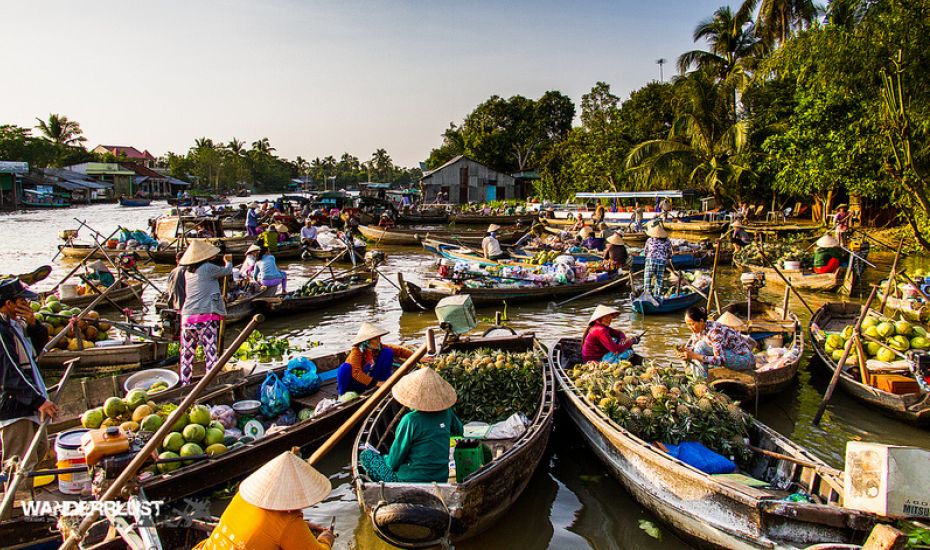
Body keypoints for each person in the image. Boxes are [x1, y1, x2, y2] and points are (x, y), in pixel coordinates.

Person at [195, 450, 335, 549]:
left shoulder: (244, 497)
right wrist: (326, 539)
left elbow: (267, 525)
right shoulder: (288, 521)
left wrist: (304, 526)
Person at [0, 278, 56, 512]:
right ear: (8, 304)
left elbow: (36, 351)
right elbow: (10, 373)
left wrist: (33, 324)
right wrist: (39, 401)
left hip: (28, 399)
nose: (27, 305)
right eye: (22, 301)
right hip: (15, 405)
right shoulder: (1, 331)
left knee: (39, 449)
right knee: (19, 464)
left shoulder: (15, 325)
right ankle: (14, 513)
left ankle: (21, 503)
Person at [359, 367, 463, 483]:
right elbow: (459, 430)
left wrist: (384, 458)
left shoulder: (410, 420)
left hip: (408, 480)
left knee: (366, 456)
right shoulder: (446, 413)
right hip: (441, 478)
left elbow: (393, 462)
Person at [179, 241, 233, 385]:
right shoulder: (208, 268)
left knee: (187, 354)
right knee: (210, 353)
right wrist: (228, 261)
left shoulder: (188, 272)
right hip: (205, 318)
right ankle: (211, 382)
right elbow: (227, 271)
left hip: (187, 317)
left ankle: (185, 383)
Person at [336, 323, 414, 396]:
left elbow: (399, 350)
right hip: (355, 383)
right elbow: (356, 373)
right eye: (376, 339)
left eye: (379, 338)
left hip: (371, 379)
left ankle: (384, 383)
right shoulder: (356, 351)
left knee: (387, 352)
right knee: (344, 368)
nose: (379, 340)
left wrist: (416, 356)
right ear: (367, 341)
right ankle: (342, 395)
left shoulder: (378, 347)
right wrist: (377, 383)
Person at [678, 307, 756, 372]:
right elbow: (692, 348)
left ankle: (701, 381)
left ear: (701, 321)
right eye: (688, 325)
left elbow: (720, 360)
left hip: (745, 360)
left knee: (699, 347)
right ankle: (700, 380)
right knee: (697, 348)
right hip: (729, 354)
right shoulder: (698, 331)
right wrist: (684, 352)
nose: (690, 327)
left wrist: (695, 356)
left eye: (692, 324)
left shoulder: (715, 332)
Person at [643, 222, 672, 298]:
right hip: (662, 261)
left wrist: (647, 258)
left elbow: (645, 251)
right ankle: (657, 295)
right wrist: (668, 258)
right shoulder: (667, 241)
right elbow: (669, 252)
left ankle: (647, 294)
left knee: (647, 278)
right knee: (659, 279)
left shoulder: (650, 240)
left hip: (650, 260)